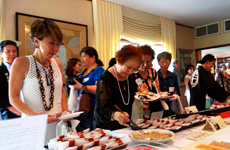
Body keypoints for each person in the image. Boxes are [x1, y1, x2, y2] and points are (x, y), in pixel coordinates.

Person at [9, 19, 71, 144]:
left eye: (58, 44)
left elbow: (60, 93)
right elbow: (13, 98)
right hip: (33, 125)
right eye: (51, 43)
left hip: (57, 126)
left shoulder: (57, 64)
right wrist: (34, 116)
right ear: (37, 41)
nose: (56, 48)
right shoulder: (21, 63)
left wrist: (65, 112)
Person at [93, 45, 142, 130]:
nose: (131, 72)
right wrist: (115, 114)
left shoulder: (131, 77)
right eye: (128, 67)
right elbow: (100, 110)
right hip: (107, 129)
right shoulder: (105, 78)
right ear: (118, 60)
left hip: (125, 126)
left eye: (135, 69)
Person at [73, 47, 104, 131]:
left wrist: (82, 87)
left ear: (93, 58)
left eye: (84, 56)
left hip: (92, 109)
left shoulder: (98, 70)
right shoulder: (84, 72)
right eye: (81, 57)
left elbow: (99, 89)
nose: (81, 59)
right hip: (82, 108)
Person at [133, 45, 162, 119]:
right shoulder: (133, 75)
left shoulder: (153, 72)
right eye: (142, 61)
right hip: (139, 113)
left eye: (148, 61)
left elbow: (157, 90)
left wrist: (160, 96)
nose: (145, 65)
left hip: (155, 111)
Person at [0, 40, 21, 120]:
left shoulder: (22, 69)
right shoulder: (1, 71)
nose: (12, 54)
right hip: (8, 113)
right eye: (8, 51)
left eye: (14, 51)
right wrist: (16, 111)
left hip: (25, 109)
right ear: (1, 54)